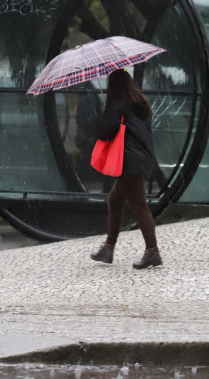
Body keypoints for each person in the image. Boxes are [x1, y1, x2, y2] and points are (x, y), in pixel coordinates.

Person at [88, 69, 162, 270]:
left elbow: (105, 132)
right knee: (115, 200)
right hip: (142, 159)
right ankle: (108, 248)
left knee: (139, 206)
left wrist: (102, 116)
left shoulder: (118, 104)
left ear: (114, 85)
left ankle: (152, 251)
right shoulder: (140, 103)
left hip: (128, 161)